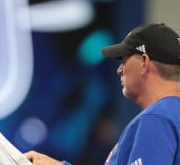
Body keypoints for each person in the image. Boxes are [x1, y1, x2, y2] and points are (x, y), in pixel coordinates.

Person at [25, 23, 180, 164]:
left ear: (144, 63)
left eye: (124, 60)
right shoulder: (169, 116)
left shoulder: (156, 119)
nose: (119, 70)